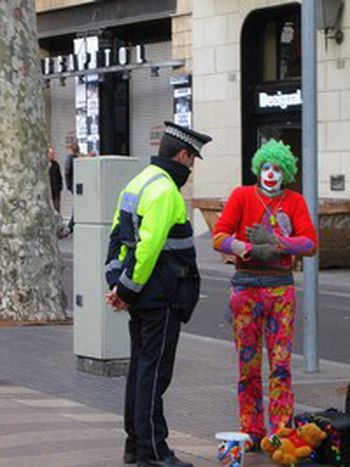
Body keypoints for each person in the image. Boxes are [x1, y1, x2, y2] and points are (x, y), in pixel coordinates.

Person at [105, 121, 212, 467]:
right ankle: (154, 450)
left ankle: (135, 445)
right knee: (154, 375)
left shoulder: (137, 183)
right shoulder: (165, 190)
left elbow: (118, 240)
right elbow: (148, 249)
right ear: (181, 155)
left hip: (143, 296)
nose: (191, 167)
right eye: (192, 159)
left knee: (141, 368)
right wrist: (125, 289)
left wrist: (118, 287)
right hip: (163, 295)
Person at [212, 139, 317, 450]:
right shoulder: (242, 195)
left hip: (281, 290)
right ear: (258, 168)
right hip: (245, 289)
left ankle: (281, 433)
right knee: (248, 367)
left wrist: (278, 244)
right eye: (266, 167)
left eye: (278, 168)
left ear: (286, 172)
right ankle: (252, 430)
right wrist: (245, 248)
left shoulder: (295, 201)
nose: (271, 174)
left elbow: (310, 243)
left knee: (281, 365)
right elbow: (218, 237)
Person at [63, 142, 80, 235]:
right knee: (77, 206)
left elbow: (67, 172)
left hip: (73, 185)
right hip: (75, 185)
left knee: (77, 206)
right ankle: (71, 225)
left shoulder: (70, 159)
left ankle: (71, 225)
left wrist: (69, 185)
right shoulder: (75, 160)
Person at [48, 145, 63, 212]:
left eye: (53, 154)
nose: (53, 156)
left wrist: (60, 187)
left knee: (56, 208)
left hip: (56, 191)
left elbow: (59, 176)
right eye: (51, 154)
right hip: (49, 191)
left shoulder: (56, 164)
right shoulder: (44, 165)